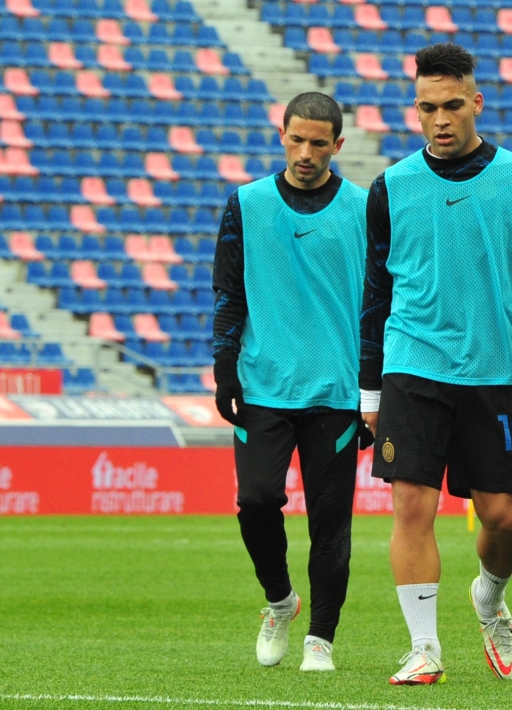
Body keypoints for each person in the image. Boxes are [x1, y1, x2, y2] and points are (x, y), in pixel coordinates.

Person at [359, 43, 512, 685]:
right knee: (411, 505)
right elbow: (376, 293)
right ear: (415, 109)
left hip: (493, 369)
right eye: (427, 107)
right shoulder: (390, 187)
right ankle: (424, 648)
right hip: (413, 362)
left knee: (504, 520)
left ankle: (490, 595)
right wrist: (370, 389)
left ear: (476, 102)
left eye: (452, 105)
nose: (440, 118)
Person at [212, 92, 372, 672]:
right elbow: (229, 291)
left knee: (331, 523)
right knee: (255, 501)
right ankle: (280, 602)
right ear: (282, 135)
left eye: (319, 143)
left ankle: (320, 639)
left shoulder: (363, 208)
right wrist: (224, 366)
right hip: (263, 386)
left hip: (337, 391)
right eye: (297, 139)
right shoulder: (246, 203)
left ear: (338, 145)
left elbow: (380, 305)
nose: (306, 153)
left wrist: (373, 390)